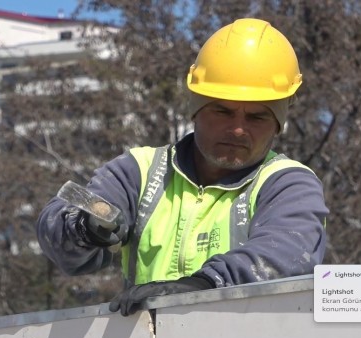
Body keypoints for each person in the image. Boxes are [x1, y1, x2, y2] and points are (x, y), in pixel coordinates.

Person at [36, 18, 328, 316]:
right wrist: (85, 227)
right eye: (222, 111)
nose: (238, 129)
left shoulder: (289, 185)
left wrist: (204, 285)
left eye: (257, 117)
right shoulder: (138, 172)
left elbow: (284, 255)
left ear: (278, 124)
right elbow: (60, 240)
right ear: (195, 110)